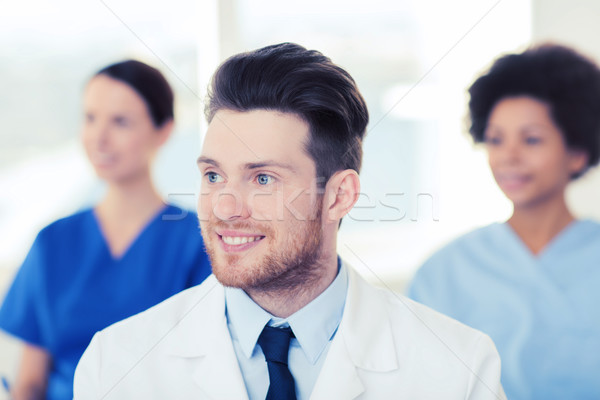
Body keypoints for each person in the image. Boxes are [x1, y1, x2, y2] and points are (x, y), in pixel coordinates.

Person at [74, 43, 505, 400]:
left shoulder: (458, 369)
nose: (224, 207)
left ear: (339, 196)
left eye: (262, 178)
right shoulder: (116, 365)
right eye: (213, 176)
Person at [0, 60, 212, 400]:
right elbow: (29, 383)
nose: (99, 138)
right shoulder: (53, 243)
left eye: (120, 122)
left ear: (164, 130)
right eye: (90, 118)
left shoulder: (197, 243)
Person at [408, 44, 600, 400]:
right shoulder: (444, 272)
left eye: (531, 139)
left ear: (577, 153)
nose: (509, 156)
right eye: (496, 139)